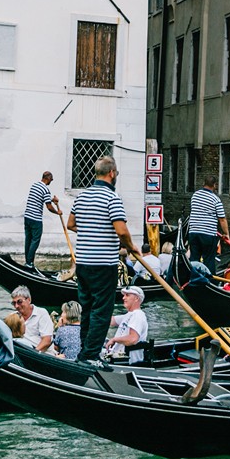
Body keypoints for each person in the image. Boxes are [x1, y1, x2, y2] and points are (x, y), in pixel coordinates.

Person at [67, 155, 137, 363]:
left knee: (87, 309)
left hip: (83, 264)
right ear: (112, 173)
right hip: (103, 264)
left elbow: (71, 224)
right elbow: (121, 231)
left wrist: (90, 231)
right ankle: (90, 356)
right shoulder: (112, 198)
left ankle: (84, 352)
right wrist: (132, 248)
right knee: (102, 311)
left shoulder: (81, 197)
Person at [188, 177, 229, 275]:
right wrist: (226, 234)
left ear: (203, 183)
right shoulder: (216, 199)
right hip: (208, 235)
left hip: (193, 232)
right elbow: (222, 219)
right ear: (214, 185)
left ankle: (193, 280)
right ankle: (208, 282)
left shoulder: (195, 195)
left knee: (194, 259)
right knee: (209, 260)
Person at [22, 171, 59, 268]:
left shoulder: (34, 186)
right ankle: (29, 263)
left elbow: (39, 197)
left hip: (27, 217)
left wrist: (51, 199)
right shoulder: (46, 189)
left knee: (28, 240)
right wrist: (58, 212)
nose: (51, 181)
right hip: (36, 219)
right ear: (47, 178)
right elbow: (49, 207)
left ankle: (28, 262)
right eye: (51, 179)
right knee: (35, 241)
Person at [104, 286, 148, 363]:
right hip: (118, 356)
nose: (123, 298)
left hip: (127, 361)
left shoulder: (137, 316)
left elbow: (132, 339)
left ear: (136, 298)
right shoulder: (129, 315)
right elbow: (110, 320)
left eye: (127, 295)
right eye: (124, 295)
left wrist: (114, 339)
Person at [8, 285, 53, 352]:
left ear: (29, 300)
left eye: (19, 302)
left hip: (42, 354)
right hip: (21, 352)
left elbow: (46, 340)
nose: (16, 306)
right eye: (14, 303)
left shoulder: (41, 313)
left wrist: (32, 354)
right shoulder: (13, 316)